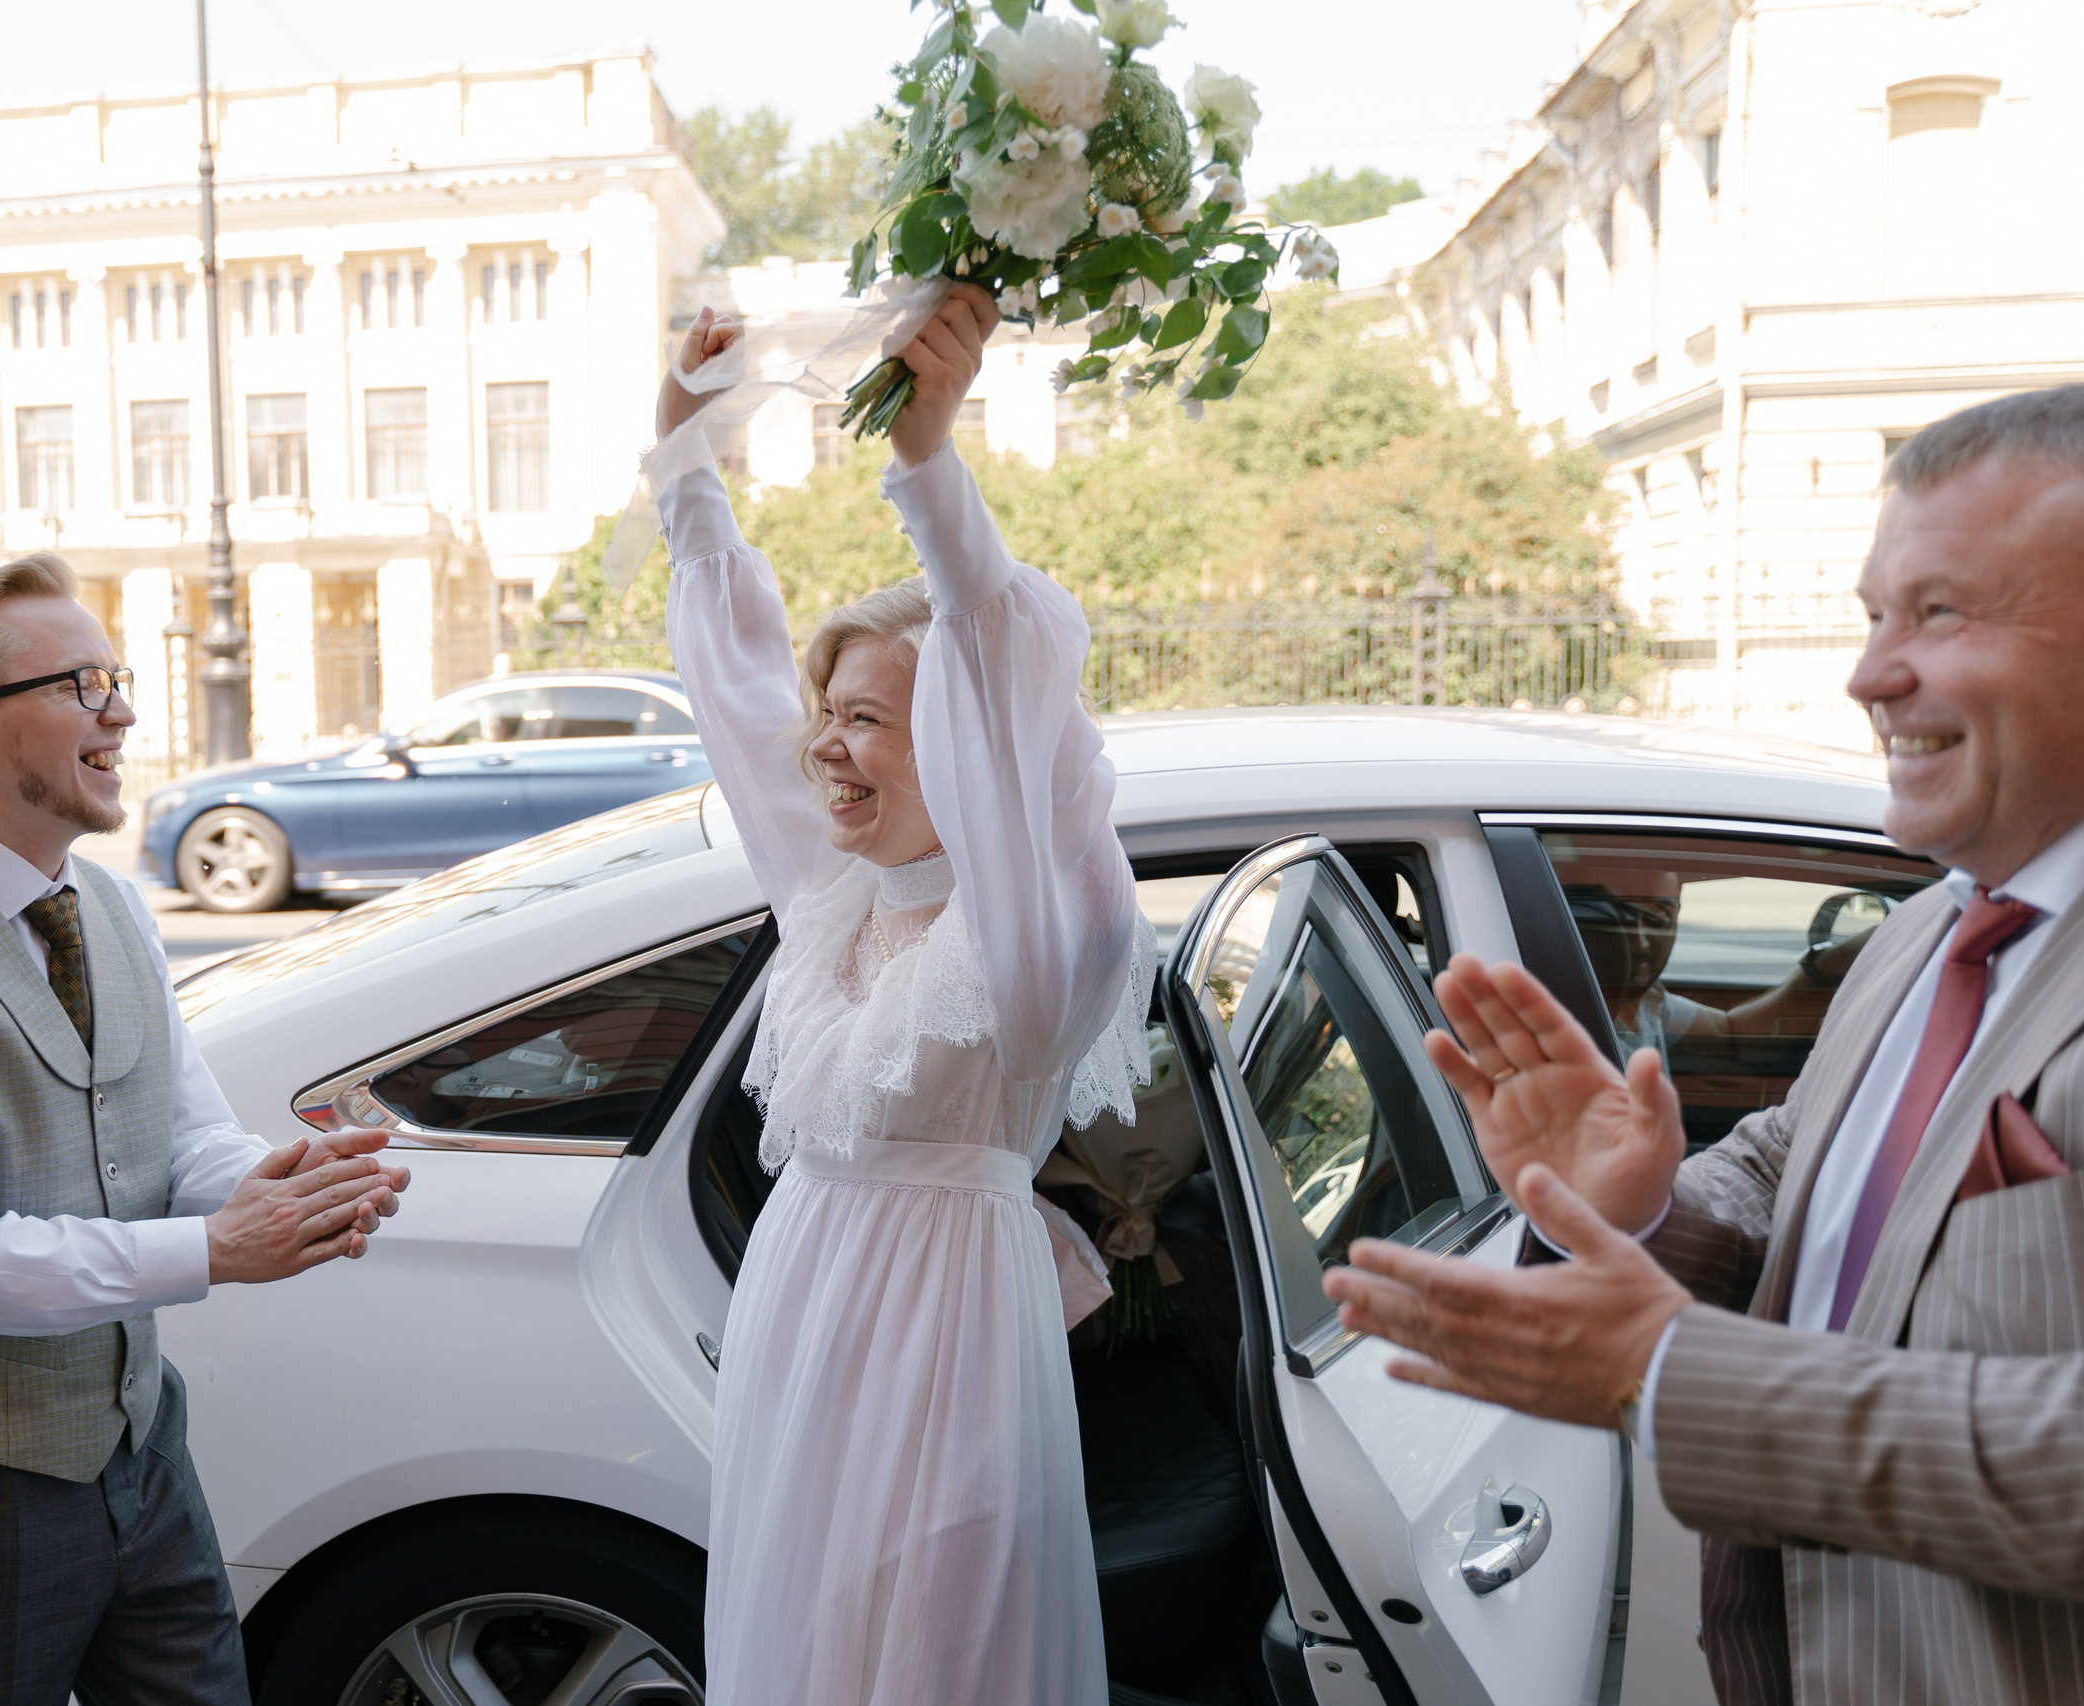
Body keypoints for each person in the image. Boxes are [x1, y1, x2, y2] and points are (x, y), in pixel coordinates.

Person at [1321, 384, 2084, 1705]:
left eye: (1941, 612)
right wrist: (1638, 1200)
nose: (1868, 673)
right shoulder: (1923, 932)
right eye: (1872, 614)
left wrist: (1667, 1371)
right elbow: (1795, 1171)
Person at [0, 552, 409, 1706]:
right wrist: (219, 1248)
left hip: (140, 1445)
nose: (121, 707)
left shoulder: (109, 899)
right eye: (78, 684)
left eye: (110, 674)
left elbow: (182, 1133)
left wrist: (279, 1180)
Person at [656, 287, 1154, 1705]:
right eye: (834, 715)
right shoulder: (832, 892)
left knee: (931, 1658)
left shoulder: (1043, 935)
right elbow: (743, 698)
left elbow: (1000, 645)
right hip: (799, 1339)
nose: (825, 749)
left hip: (946, 1359)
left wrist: (930, 464)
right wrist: (689, 464)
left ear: (967, 741)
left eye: (867, 718)